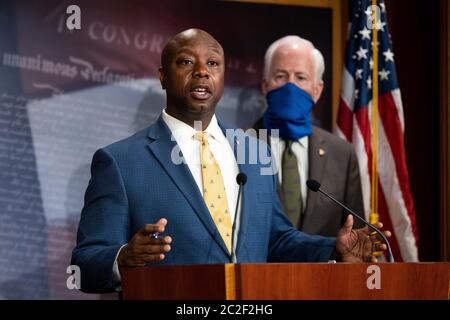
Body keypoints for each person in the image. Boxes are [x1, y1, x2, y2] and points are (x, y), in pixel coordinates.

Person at [72, 28, 389, 294]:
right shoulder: (120, 161)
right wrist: (123, 256)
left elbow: (276, 239)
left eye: (213, 63)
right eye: (186, 62)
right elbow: (83, 265)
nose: (202, 71)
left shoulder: (255, 152)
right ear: (163, 76)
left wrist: (331, 248)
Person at [254, 35, 365, 237]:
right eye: (280, 76)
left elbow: (354, 238)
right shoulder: (238, 146)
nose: (290, 87)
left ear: (317, 90)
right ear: (265, 85)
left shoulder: (342, 154)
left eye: (301, 77)